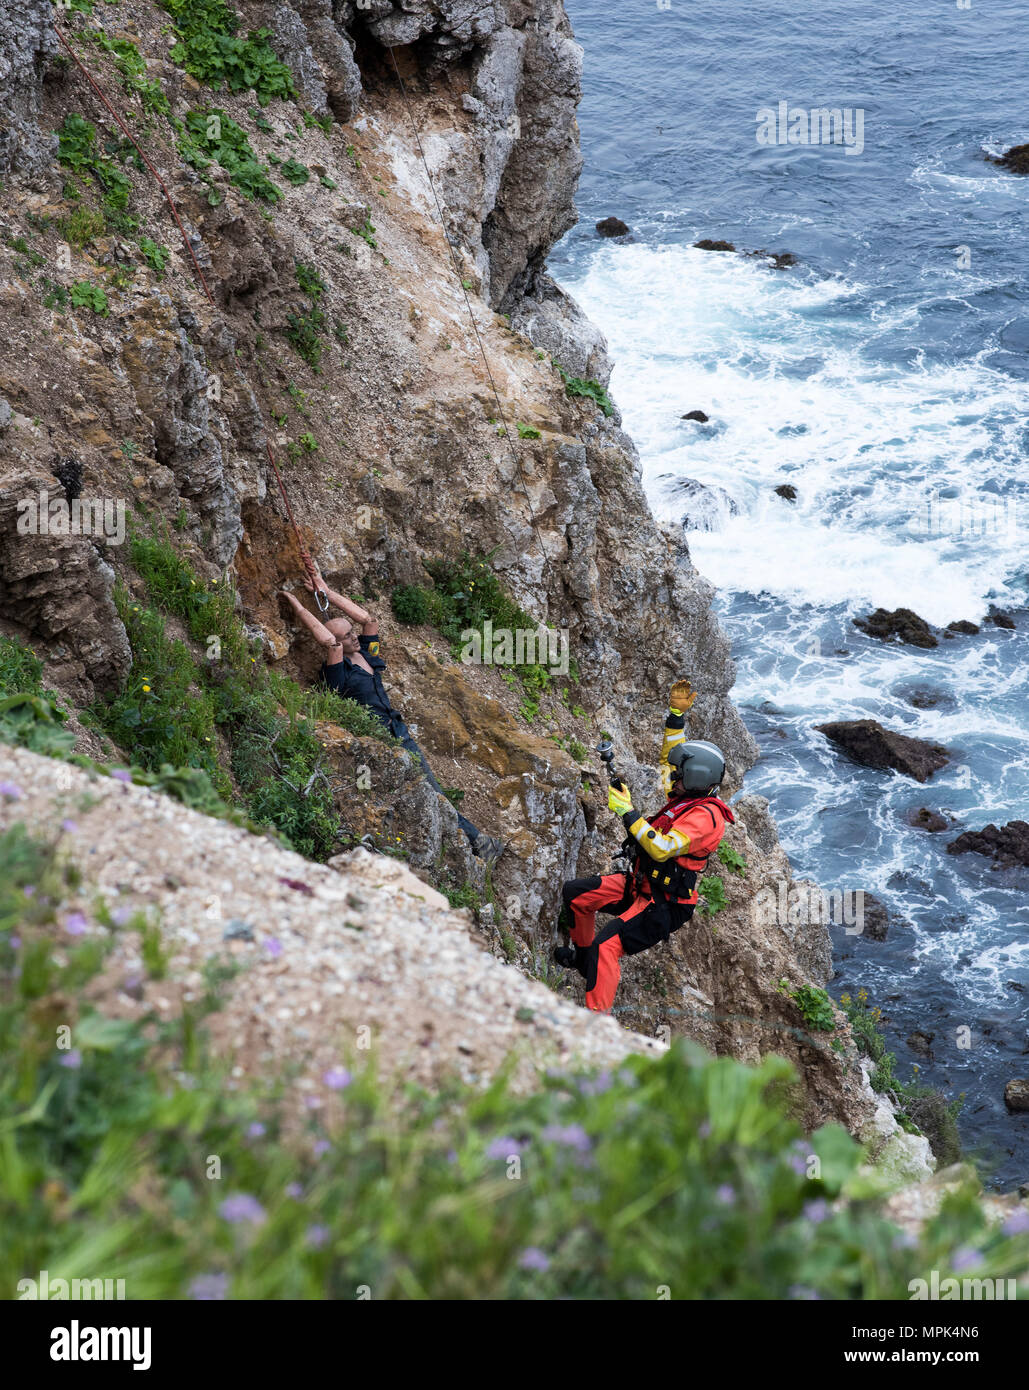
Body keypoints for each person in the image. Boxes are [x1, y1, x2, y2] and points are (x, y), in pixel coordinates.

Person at [280, 565, 504, 863]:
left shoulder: (366, 654)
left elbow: (368, 619)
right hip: (379, 740)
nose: (352, 638)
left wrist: (326, 590)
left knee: (431, 788)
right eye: (346, 637)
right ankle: (477, 843)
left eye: (351, 633)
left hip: (398, 731)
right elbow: (329, 642)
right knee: (429, 791)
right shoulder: (337, 671)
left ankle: (475, 843)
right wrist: (296, 604)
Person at [554, 681, 734, 1013]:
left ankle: (595, 1029)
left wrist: (627, 811)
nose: (672, 778)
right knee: (577, 895)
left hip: (664, 903)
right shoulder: (689, 796)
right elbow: (671, 757)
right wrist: (676, 717)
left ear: (693, 778)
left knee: (606, 947)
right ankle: (582, 961)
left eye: (679, 775)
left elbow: (662, 848)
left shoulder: (706, 819)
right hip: (644, 884)